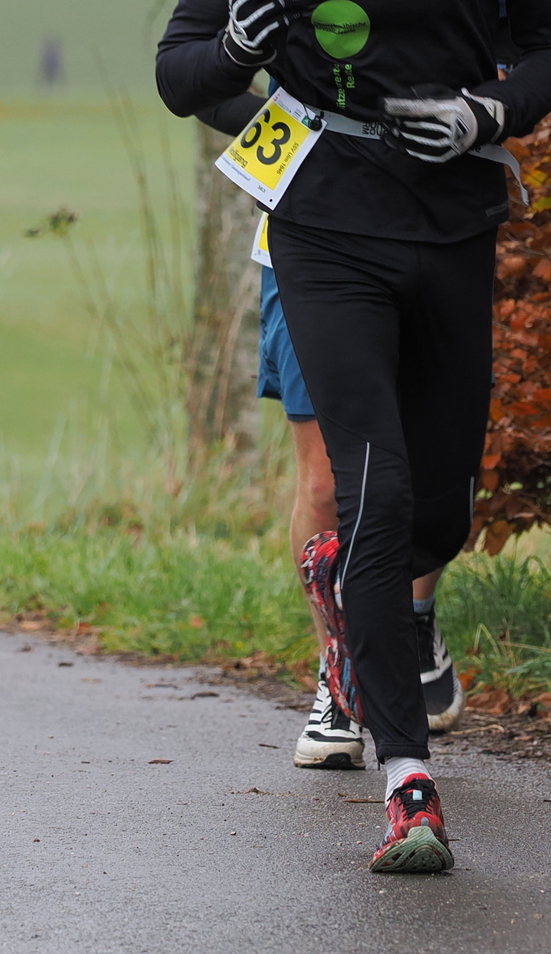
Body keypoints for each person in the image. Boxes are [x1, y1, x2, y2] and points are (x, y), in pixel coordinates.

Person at [157, 0, 551, 874]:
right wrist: (234, 50)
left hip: (449, 218)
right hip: (325, 222)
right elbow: (179, 71)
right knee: (373, 494)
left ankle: (370, 599)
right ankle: (407, 782)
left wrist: (489, 111)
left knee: (441, 506)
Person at [194, 87, 466, 774]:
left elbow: (524, 63)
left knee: (424, 467)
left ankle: (411, 619)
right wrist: (314, 131)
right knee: (325, 483)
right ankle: (340, 668)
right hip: (307, 239)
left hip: (429, 230)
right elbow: (198, 73)